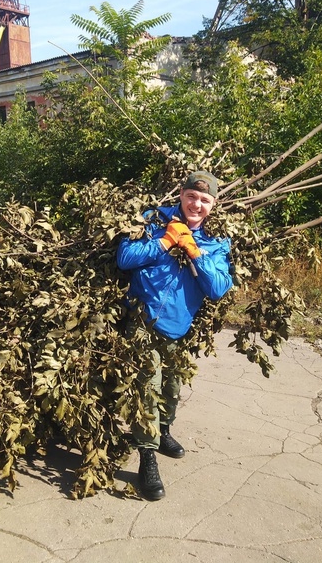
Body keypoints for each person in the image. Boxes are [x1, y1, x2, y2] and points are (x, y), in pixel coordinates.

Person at [117, 171, 233, 500]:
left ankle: (164, 431)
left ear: (213, 204)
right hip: (142, 317)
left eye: (205, 200)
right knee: (147, 388)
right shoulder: (152, 219)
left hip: (178, 326)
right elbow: (125, 258)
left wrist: (193, 249)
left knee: (171, 386)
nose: (197, 204)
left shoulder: (217, 240)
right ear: (181, 195)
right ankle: (147, 458)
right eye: (191, 197)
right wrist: (165, 241)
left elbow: (218, 288)